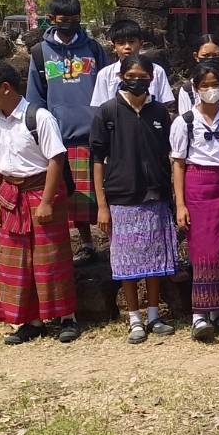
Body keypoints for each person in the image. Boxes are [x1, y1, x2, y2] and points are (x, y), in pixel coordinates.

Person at [0, 61, 79, 345]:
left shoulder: (39, 117)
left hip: (41, 192)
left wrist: (47, 201)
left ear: (5, 88)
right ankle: (31, 321)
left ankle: (66, 317)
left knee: (51, 259)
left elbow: (56, 159)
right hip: (11, 196)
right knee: (16, 261)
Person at [90, 54, 177, 344]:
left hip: (156, 194)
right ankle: (134, 318)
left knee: (154, 259)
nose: (137, 81)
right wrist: (101, 205)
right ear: (121, 77)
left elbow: (169, 153)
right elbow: (98, 159)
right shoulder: (107, 112)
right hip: (121, 198)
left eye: (143, 77)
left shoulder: (159, 113)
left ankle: (154, 314)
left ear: (152, 79)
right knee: (127, 263)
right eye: (132, 76)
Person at [26, 0, 112, 265]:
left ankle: (115, 244)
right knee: (73, 197)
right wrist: (39, 134)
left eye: (75, 20)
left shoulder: (94, 49)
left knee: (105, 193)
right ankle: (86, 243)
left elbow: (108, 85)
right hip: (60, 136)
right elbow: (36, 98)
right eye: (64, 21)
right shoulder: (40, 53)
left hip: (95, 132)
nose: (70, 25)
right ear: (51, 20)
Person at [170, 63, 219, 341]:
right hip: (196, 185)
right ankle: (199, 314)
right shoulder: (185, 121)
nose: (211, 90)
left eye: (215, 84)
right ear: (195, 88)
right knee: (202, 248)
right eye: (205, 85)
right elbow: (178, 164)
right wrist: (180, 204)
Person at [89, 20, 174, 109]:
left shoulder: (156, 71)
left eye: (131, 42)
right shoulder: (105, 75)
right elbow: (100, 107)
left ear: (140, 44)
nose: (127, 47)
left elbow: (165, 104)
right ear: (114, 47)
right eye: (121, 43)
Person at [175, 34, 219, 115]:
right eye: (206, 55)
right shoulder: (187, 90)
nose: (210, 59)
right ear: (196, 56)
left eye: (215, 55)